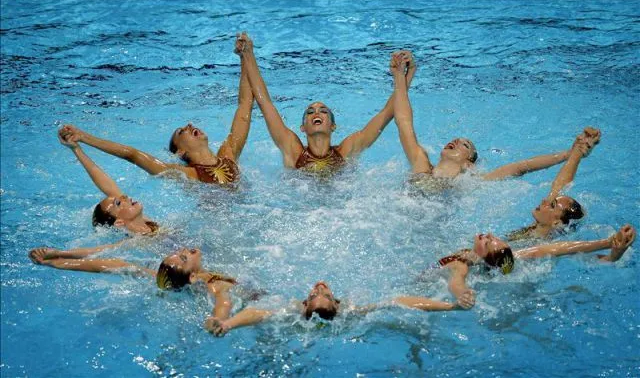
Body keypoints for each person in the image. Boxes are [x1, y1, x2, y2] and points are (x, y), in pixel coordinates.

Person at [58, 39, 254, 186]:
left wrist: (245, 56)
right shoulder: (187, 175)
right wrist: (84, 137)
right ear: (180, 151)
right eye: (181, 132)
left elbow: (245, 105)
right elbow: (132, 155)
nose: (189, 125)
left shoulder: (228, 154)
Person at [391, 53, 592, 182]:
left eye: (465, 145)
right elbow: (403, 122)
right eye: (458, 141)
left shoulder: (470, 184)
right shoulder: (421, 165)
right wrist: (400, 76)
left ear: (469, 163)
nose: (455, 141)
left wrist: (569, 154)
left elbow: (521, 167)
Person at [236, 32, 415, 175]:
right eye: (310, 112)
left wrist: (406, 74)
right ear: (302, 127)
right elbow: (264, 102)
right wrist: (248, 54)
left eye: (323, 111)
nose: (316, 113)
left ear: (333, 126)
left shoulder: (347, 150)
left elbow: (386, 114)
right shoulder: (292, 150)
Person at [28, 246, 237, 326]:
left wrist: (57, 261)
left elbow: (115, 265)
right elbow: (224, 302)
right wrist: (218, 319)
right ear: (192, 276)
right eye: (183, 257)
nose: (186, 249)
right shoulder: (212, 284)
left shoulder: (164, 281)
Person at [436, 225, 636, 306]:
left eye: (488, 241)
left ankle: (611, 257)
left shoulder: (463, 264)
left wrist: (462, 295)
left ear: (484, 257)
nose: (487, 236)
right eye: (491, 238)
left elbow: (456, 282)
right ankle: (611, 257)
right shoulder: (511, 261)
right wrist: (606, 242)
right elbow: (558, 249)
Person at [204, 280, 474, 336]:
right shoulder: (351, 310)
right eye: (324, 293)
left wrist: (228, 324)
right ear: (337, 303)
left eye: (315, 293)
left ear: (304, 303)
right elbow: (400, 300)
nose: (320, 286)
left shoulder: (291, 311)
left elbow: (258, 313)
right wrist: (450, 306)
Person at [58, 128, 159, 235]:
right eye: (118, 203)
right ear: (119, 222)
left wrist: (76, 149)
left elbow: (107, 185)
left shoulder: (146, 223)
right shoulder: (139, 242)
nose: (124, 197)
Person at [507, 127, 600, 241]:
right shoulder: (536, 231)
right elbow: (559, 185)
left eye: (552, 205)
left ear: (556, 223)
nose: (544, 201)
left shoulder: (540, 250)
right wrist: (577, 152)